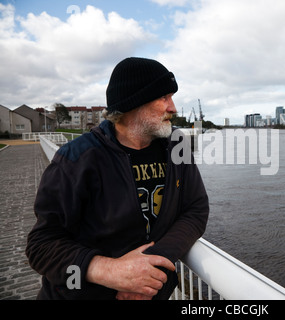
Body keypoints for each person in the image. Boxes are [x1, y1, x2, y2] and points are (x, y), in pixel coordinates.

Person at [26, 57, 209, 300]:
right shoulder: (77, 159)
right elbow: (41, 245)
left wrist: (149, 269)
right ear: (135, 103)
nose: (173, 108)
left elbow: (196, 209)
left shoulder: (176, 144)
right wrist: (109, 271)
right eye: (164, 97)